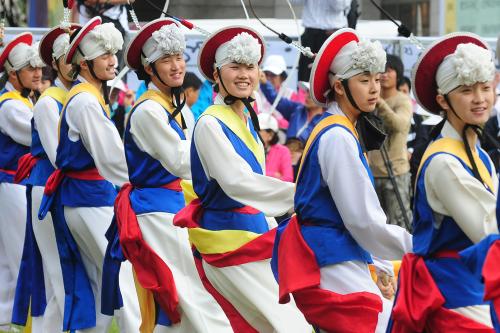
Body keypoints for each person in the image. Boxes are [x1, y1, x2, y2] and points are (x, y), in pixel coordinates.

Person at [272, 28, 412, 332]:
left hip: (332, 256)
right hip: (330, 260)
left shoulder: (337, 129)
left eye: (376, 78)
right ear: (338, 86)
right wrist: (421, 246)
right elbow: (363, 222)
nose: (374, 88)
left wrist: (381, 264)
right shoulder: (337, 136)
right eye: (364, 80)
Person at [174, 26, 311, 332]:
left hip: (252, 235)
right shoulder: (209, 123)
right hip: (228, 240)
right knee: (289, 327)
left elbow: (254, 185)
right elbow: (238, 182)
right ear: (216, 74)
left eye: (250, 66)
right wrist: (303, 194)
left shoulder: (245, 120)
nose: (244, 74)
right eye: (234, 67)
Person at [114, 17, 232, 332]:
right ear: (149, 68)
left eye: (179, 57)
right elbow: (183, 160)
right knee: (186, 294)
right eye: (166, 59)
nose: (177, 65)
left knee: (183, 294)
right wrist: (228, 161)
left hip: (174, 206)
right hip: (156, 211)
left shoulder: (173, 106)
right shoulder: (149, 111)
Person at [389, 33, 499, 332]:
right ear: (442, 100)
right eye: (466, 90)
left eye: (485, 88)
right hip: (455, 295)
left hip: (473, 287)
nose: (479, 98)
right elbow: (489, 229)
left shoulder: (480, 154)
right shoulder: (444, 162)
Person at [37, 17, 140, 332]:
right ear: (83, 64)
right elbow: (112, 160)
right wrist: (149, 178)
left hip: (85, 200)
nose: (113, 61)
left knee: (99, 285)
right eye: (104, 56)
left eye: (113, 54)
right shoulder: (84, 101)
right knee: (123, 280)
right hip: (89, 200)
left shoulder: (86, 97)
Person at [11, 25, 80, 332]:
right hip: (48, 189)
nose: (75, 61)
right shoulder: (49, 102)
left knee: (61, 274)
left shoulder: (73, 97)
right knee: (54, 271)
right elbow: (59, 156)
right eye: (68, 56)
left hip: (69, 191)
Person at [0, 32, 41, 330]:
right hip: (12, 184)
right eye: (31, 68)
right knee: (18, 252)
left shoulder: (18, 101)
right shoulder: (10, 106)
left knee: (8, 256)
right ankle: (21, 318)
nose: (38, 73)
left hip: (14, 184)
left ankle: (6, 317)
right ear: (13, 73)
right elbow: (38, 136)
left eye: (40, 67)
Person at [368, 54, 413, 230]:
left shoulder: (402, 100)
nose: (384, 74)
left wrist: (380, 103)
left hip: (395, 171)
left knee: (398, 223)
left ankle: (402, 258)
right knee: (377, 226)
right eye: (381, 71)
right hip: (373, 172)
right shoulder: (369, 100)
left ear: (398, 74)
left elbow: (399, 125)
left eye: (389, 70)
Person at [291, 0, 351, 82]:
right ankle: (304, 94)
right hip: (310, 34)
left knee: (331, 76)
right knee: (305, 76)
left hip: (332, 34)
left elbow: (339, 6)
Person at [259, 78, 324, 143]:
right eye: (307, 91)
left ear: (322, 98)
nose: (307, 96)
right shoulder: (296, 109)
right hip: (288, 151)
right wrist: (265, 83)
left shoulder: (325, 120)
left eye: (312, 94)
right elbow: (276, 100)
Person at [258, 112, 294, 182]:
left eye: (259, 130)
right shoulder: (248, 148)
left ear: (270, 135)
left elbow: (288, 179)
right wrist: (274, 175)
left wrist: (262, 176)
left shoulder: (283, 151)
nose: (254, 132)